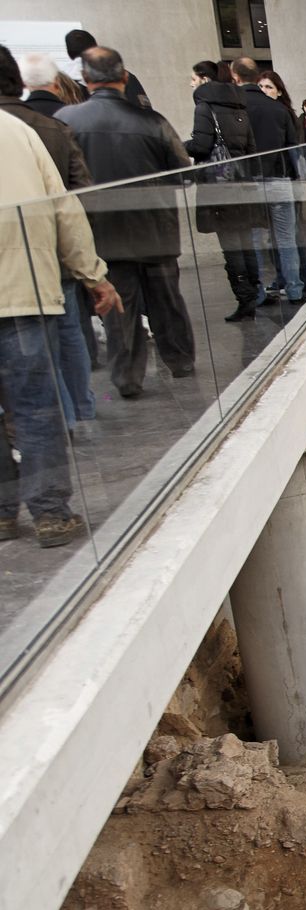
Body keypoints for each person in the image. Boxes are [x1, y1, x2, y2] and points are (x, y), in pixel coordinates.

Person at [0, 107, 122, 547]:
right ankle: (50, 514)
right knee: (35, 408)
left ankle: (2, 514)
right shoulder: (16, 131)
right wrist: (94, 275)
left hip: (26, 295)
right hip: (24, 294)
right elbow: (64, 209)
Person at [58, 47, 195, 395]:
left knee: (118, 309)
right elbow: (182, 171)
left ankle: (128, 378)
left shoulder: (67, 122)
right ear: (123, 77)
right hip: (157, 231)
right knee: (167, 301)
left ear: (85, 79)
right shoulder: (153, 121)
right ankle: (180, 360)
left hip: (103, 234)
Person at [1, 44, 98, 425]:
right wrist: (92, 270)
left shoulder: (23, 127)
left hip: (19, 265)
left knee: (35, 364)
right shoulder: (53, 127)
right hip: (53, 251)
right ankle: (80, 411)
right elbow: (78, 193)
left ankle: (66, 416)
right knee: (68, 332)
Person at [185, 60, 264, 322]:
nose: (191, 84)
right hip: (243, 184)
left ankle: (245, 299)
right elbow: (251, 149)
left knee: (231, 246)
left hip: (219, 187)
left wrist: (179, 145)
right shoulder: (239, 106)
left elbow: (201, 145)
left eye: (193, 79)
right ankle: (253, 293)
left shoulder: (204, 107)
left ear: (205, 79)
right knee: (245, 242)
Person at [230, 58, 306, 308]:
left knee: (255, 242)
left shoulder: (236, 110)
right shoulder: (279, 110)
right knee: (286, 240)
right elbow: (292, 149)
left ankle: (260, 292)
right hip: (279, 180)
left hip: (250, 183)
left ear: (236, 77)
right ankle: (294, 290)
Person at [64, 29, 149, 109]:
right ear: (96, 46)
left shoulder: (61, 82)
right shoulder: (123, 75)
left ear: (68, 53)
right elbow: (144, 109)